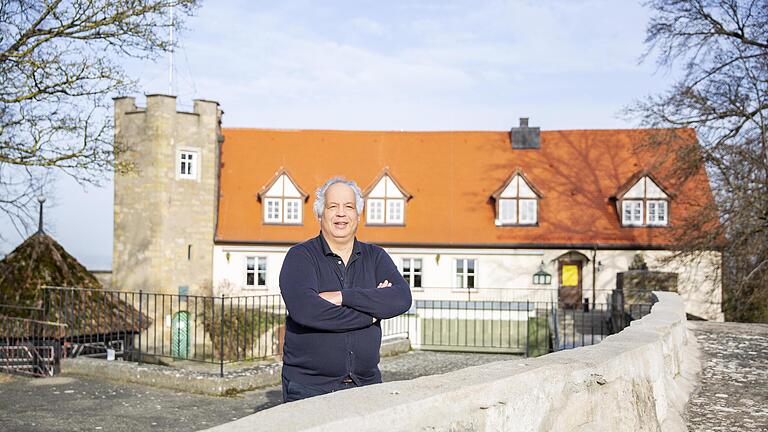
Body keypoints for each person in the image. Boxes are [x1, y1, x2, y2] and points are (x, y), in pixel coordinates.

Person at [279, 177, 412, 403]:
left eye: (348, 207)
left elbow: (401, 297)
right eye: (333, 206)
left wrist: (343, 297)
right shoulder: (300, 257)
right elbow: (307, 311)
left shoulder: (376, 256)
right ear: (320, 214)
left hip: (366, 386)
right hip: (310, 389)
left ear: (358, 215)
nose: (341, 213)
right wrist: (372, 312)